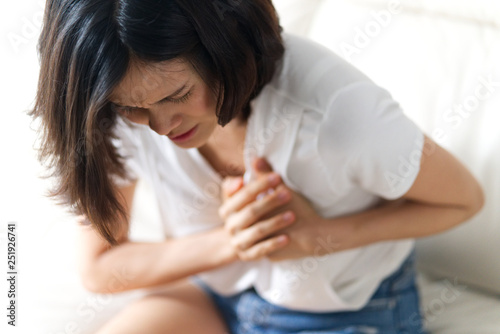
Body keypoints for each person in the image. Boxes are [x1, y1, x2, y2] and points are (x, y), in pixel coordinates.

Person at [30, 0, 485, 333]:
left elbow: (464, 200)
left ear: (223, 48)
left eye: (176, 96)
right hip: (215, 296)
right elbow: (100, 267)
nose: (161, 126)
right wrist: (233, 242)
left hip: (345, 309)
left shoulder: (339, 114)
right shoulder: (108, 105)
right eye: (133, 107)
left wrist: (312, 239)